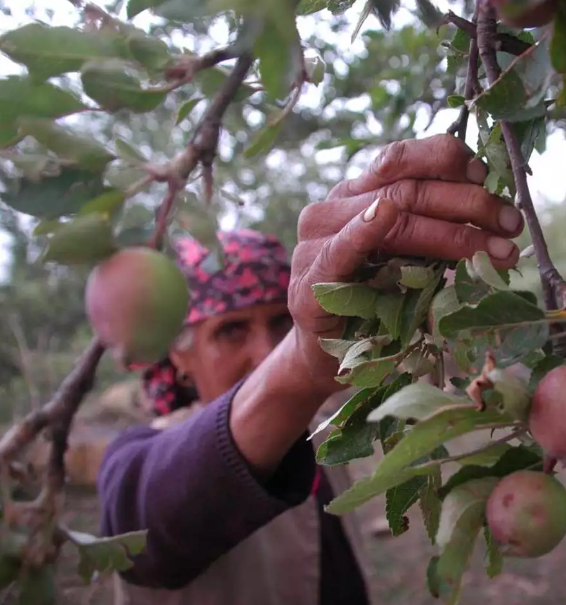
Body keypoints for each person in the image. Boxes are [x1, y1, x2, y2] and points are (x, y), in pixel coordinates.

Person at [97, 134, 525, 605]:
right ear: (179, 355)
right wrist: (298, 361)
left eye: (281, 322)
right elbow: (140, 530)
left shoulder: (321, 432)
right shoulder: (138, 456)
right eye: (231, 331)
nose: (264, 351)